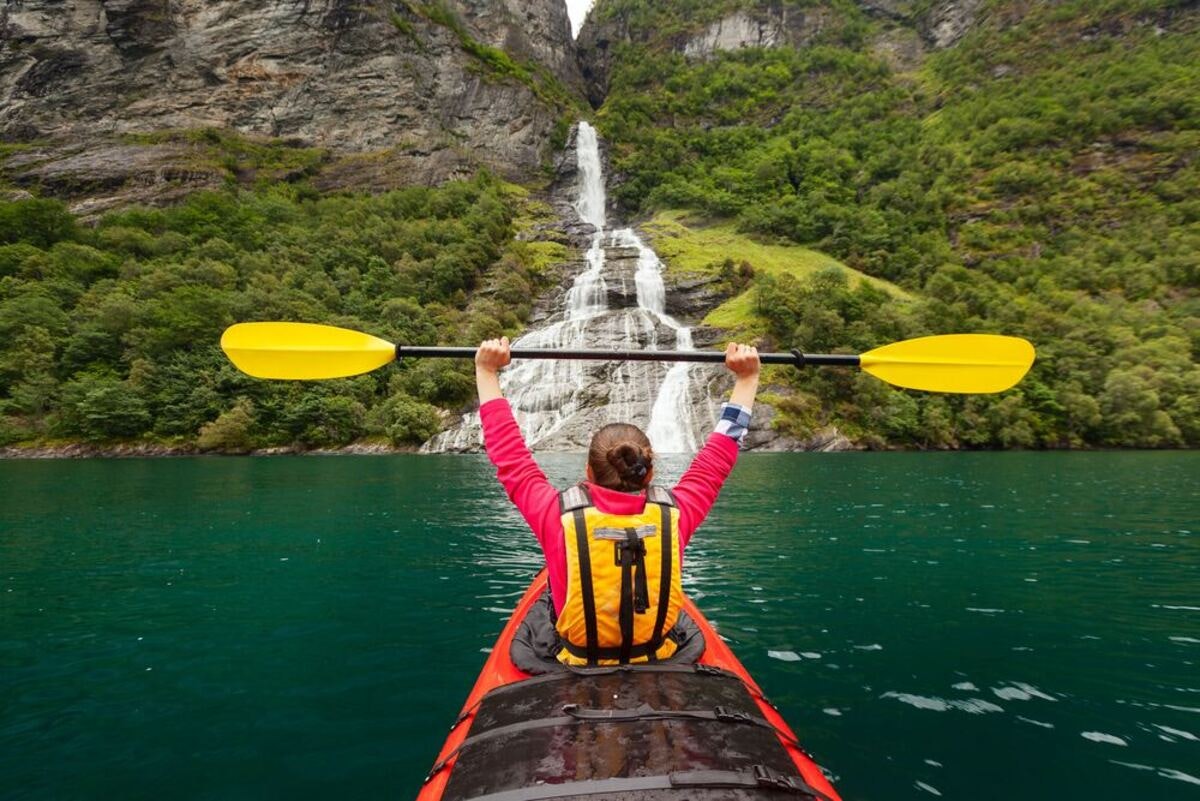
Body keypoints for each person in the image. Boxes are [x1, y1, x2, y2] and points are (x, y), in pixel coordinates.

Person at [475, 336, 761, 666]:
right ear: (649, 473)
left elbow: (509, 455)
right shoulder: (677, 514)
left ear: (587, 472)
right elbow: (719, 455)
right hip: (658, 655)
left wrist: (486, 370)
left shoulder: (554, 516)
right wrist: (747, 379)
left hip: (580, 659)